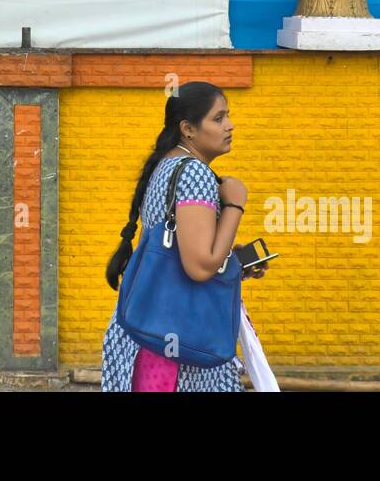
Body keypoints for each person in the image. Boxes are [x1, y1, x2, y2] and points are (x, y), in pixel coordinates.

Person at [100, 81, 262, 392]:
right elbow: (200, 267)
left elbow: (180, 251)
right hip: (175, 352)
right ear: (188, 128)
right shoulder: (194, 173)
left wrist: (234, 261)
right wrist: (235, 203)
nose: (229, 125)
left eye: (227, 116)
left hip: (147, 334)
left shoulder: (167, 165)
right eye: (218, 118)